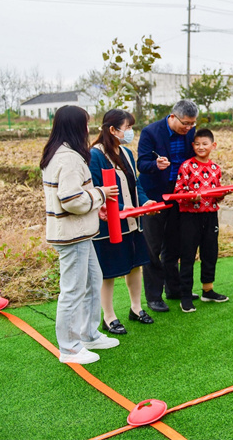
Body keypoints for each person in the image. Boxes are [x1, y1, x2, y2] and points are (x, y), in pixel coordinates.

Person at [41, 105, 119, 364]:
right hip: (72, 235)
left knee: (92, 281)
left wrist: (95, 204)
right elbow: (72, 200)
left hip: (81, 233)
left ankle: (88, 334)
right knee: (73, 290)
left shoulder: (63, 153)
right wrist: (100, 194)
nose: (88, 128)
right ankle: (70, 348)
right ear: (76, 126)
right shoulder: (69, 159)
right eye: (85, 123)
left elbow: (74, 196)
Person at [89, 109, 156, 334]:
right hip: (109, 225)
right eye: (128, 127)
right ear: (112, 129)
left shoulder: (126, 153)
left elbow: (136, 184)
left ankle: (136, 308)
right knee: (108, 272)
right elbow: (95, 191)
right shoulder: (95, 155)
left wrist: (145, 202)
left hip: (133, 222)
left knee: (135, 266)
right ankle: (109, 317)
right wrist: (119, 209)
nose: (130, 131)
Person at [137, 100, 198, 312]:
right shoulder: (150, 132)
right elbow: (141, 164)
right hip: (154, 196)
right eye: (185, 123)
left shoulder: (191, 132)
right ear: (172, 117)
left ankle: (174, 288)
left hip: (179, 194)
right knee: (153, 247)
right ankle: (154, 296)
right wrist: (155, 165)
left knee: (174, 243)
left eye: (192, 123)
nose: (188, 128)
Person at [174, 128, 229, 312]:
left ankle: (208, 290)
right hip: (190, 216)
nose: (201, 147)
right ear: (192, 145)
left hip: (210, 215)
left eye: (205, 144)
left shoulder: (215, 168)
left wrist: (222, 194)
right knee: (188, 255)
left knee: (210, 252)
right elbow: (178, 192)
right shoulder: (186, 166)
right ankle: (185, 296)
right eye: (197, 144)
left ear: (213, 145)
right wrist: (190, 197)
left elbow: (217, 194)